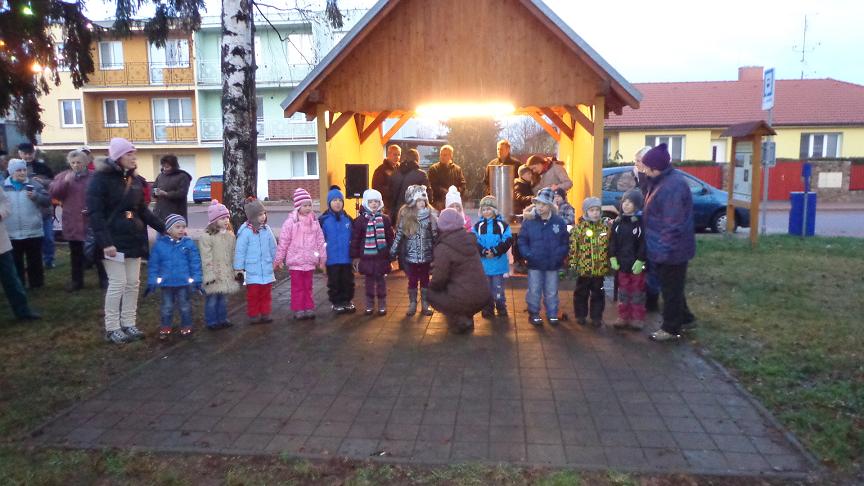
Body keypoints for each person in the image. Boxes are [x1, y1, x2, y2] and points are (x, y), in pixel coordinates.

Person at [87, 138, 166, 344]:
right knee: (118, 283)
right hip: (112, 240)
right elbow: (96, 214)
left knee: (133, 283)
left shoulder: (135, 180)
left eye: (134, 154)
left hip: (133, 238)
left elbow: (142, 211)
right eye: (129, 154)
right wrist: (106, 243)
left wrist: (165, 229)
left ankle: (129, 323)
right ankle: (112, 328)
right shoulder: (100, 180)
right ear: (118, 157)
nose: (134, 158)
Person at [640, 144, 697, 342]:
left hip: (671, 250)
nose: (644, 170)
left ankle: (671, 328)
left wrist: (663, 252)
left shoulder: (672, 187)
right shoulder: (662, 182)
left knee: (670, 290)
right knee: (674, 286)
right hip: (666, 246)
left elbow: (673, 224)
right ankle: (686, 317)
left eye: (646, 167)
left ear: (656, 168)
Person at [427, 208, 492, 334]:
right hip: (483, 295)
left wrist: (433, 287)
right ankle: (466, 315)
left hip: (463, 298)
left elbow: (439, 278)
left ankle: (460, 318)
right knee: (460, 286)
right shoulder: (470, 240)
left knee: (430, 293)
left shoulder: (443, 247)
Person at [50, 150, 101, 292]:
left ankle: (104, 280)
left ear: (86, 162)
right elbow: (54, 194)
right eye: (73, 163)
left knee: (99, 252)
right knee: (76, 254)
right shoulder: (62, 177)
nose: (76, 165)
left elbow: (102, 194)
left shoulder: (94, 176)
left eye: (79, 162)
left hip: (92, 220)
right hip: (72, 220)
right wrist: (65, 182)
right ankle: (77, 281)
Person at [145, 214, 203, 340]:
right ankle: (166, 326)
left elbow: (195, 263)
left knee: (184, 306)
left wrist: (197, 279)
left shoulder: (188, 244)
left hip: (183, 283)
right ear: (169, 229)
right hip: (167, 283)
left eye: (183, 227)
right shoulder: (160, 245)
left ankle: (186, 325)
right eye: (178, 227)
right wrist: (152, 281)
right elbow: (154, 265)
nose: (181, 229)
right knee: (167, 307)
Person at [518, 187, 569, 326]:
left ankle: (552, 313)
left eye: (544, 204)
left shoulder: (558, 222)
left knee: (551, 290)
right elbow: (522, 240)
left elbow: (564, 241)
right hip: (535, 262)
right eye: (538, 203)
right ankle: (534, 312)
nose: (540, 207)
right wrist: (528, 254)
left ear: (550, 206)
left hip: (553, 263)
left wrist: (559, 256)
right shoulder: (529, 221)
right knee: (534, 289)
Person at [275, 188, 327, 321]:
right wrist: (279, 259)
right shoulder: (291, 222)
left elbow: (320, 240)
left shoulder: (314, 221)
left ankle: (308, 307)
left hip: (309, 261)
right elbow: (283, 242)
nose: (308, 208)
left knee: (308, 287)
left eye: (310, 205)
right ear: (298, 206)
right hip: (296, 262)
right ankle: (298, 308)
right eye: (305, 205)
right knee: (297, 287)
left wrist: (322, 258)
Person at [391, 184, 437, 317]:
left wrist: (437, 250)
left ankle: (425, 304)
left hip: (426, 255)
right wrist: (393, 250)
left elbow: (435, 235)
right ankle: (412, 303)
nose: (422, 203)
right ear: (412, 202)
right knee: (412, 280)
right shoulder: (406, 216)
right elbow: (399, 234)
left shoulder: (431, 216)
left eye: (423, 200)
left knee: (425, 280)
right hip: (411, 256)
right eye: (418, 201)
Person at [3, 159, 50, 289]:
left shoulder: (34, 184)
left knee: (34, 260)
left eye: (24, 170)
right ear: (11, 172)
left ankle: (37, 284)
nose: (22, 173)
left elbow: (47, 201)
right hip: (11, 232)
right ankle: (19, 283)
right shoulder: (3, 186)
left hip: (33, 230)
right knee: (15, 260)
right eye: (18, 170)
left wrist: (36, 196)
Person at [0, 180, 41, 321]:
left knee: (11, 279)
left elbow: (6, 203)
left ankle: (23, 311)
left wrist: (1, 214)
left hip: (1, 245)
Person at [197, 200, 240, 330]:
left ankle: (222, 319)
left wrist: (236, 271)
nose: (226, 220)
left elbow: (233, 254)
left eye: (227, 217)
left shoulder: (230, 236)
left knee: (223, 299)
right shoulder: (207, 237)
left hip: (225, 273)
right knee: (212, 299)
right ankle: (211, 321)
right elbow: (206, 258)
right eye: (222, 218)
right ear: (214, 221)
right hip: (213, 275)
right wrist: (209, 276)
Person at [350, 189, 394, 316]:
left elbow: (390, 237)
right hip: (367, 257)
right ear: (366, 203)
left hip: (381, 257)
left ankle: (382, 304)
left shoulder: (385, 219)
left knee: (381, 282)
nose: (374, 204)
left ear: (380, 203)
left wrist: (391, 253)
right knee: (369, 282)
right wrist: (355, 256)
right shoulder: (360, 221)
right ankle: (369, 304)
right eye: (371, 202)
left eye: (376, 201)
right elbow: (356, 239)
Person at [568, 196, 610, 328]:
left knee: (598, 294)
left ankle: (596, 316)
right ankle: (580, 315)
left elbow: (609, 247)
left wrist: (609, 263)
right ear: (586, 212)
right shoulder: (579, 229)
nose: (595, 213)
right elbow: (574, 248)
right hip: (583, 269)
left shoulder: (604, 228)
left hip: (599, 269)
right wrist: (573, 264)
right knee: (581, 293)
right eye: (592, 210)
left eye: (597, 210)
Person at [609, 189, 647, 331]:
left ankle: (637, 318)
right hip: (622, 264)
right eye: (624, 201)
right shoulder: (618, 223)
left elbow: (644, 243)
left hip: (636, 264)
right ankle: (623, 316)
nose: (626, 204)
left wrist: (641, 259)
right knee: (623, 291)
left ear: (637, 205)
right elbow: (612, 241)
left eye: (630, 202)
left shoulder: (640, 223)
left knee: (637, 291)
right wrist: (612, 256)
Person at [234, 197, 276, 324]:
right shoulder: (245, 232)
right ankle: (253, 314)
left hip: (266, 268)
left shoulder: (267, 230)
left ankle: (265, 313)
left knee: (266, 293)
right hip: (252, 270)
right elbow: (240, 251)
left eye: (264, 213)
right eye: (259, 215)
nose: (263, 217)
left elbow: (273, 246)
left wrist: (277, 260)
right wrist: (238, 267)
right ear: (252, 217)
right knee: (253, 294)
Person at [472, 195, 512, 318]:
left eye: (489, 209)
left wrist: (495, 251)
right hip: (484, 265)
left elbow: (507, 240)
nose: (486, 212)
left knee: (498, 288)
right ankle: (488, 308)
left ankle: (501, 306)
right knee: (486, 288)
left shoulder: (503, 225)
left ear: (494, 210)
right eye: (483, 209)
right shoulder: (478, 226)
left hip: (498, 264)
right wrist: (484, 251)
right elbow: (474, 240)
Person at [18, 143, 56, 269]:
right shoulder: (13, 169)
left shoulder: (43, 167)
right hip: (26, 211)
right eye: (25, 153)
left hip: (44, 209)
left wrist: (44, 182)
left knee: (48, 238)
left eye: (30, 153)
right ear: (20, 154)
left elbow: (54, 183)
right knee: (31, 241)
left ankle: (49, 260)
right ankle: (33, 262)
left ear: (34, 153)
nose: (28, 156)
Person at [319, 186, 356, 314]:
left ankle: (347, 301)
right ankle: (336, 302)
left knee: (348, 282)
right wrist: (320, 258)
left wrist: (355, 254)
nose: (337, 203)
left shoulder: (348, 219)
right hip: (331, 259)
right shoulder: (323, 220)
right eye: (334, 200)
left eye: (340, 200)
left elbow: (354, 237)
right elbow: (319, 241)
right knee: (334, 283)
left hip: (346, 258)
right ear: (329, 203)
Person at [634, 145, 660, 312]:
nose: (636, 164)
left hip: (654, 230)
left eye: (638, 161)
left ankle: (652, 300)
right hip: (647, 226)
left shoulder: (651, 179)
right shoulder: (641, 176)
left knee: (653, 266)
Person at [389, 148, 430, 226]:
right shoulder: (421, 174)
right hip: (414, 213)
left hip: (396, 213)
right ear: (417, 159)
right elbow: (427, 195)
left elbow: (389, 193)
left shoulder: (394, 173)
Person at [152, 154, 192, 221]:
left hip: (175, 213)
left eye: (167, 167)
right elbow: (153, 188)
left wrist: (166, 193)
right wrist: (155, 192)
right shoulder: (160, 176)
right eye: (163, 166)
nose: (165, 169)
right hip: (160, 212)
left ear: (174, 166)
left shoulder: (183, 176)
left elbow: (182, 193)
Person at [427, 145, 466, 211]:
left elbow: (463, 184)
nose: (442, 157)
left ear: (450, 156)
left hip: (454, 203)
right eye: (441, 154)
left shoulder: (457, 169)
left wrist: (456, 192)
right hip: (439, 203)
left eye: (445, 155)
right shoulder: (433, 169)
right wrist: (445, 192)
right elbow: (432, 185)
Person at [372, 144, 401, 218]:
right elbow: (377, 188)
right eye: (395, 154)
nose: (397, 157)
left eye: (399, 155)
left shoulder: (400, 170)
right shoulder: (380, 170)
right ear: (388, 155)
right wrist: (393, 191)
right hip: (386, 207)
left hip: (398, 206)